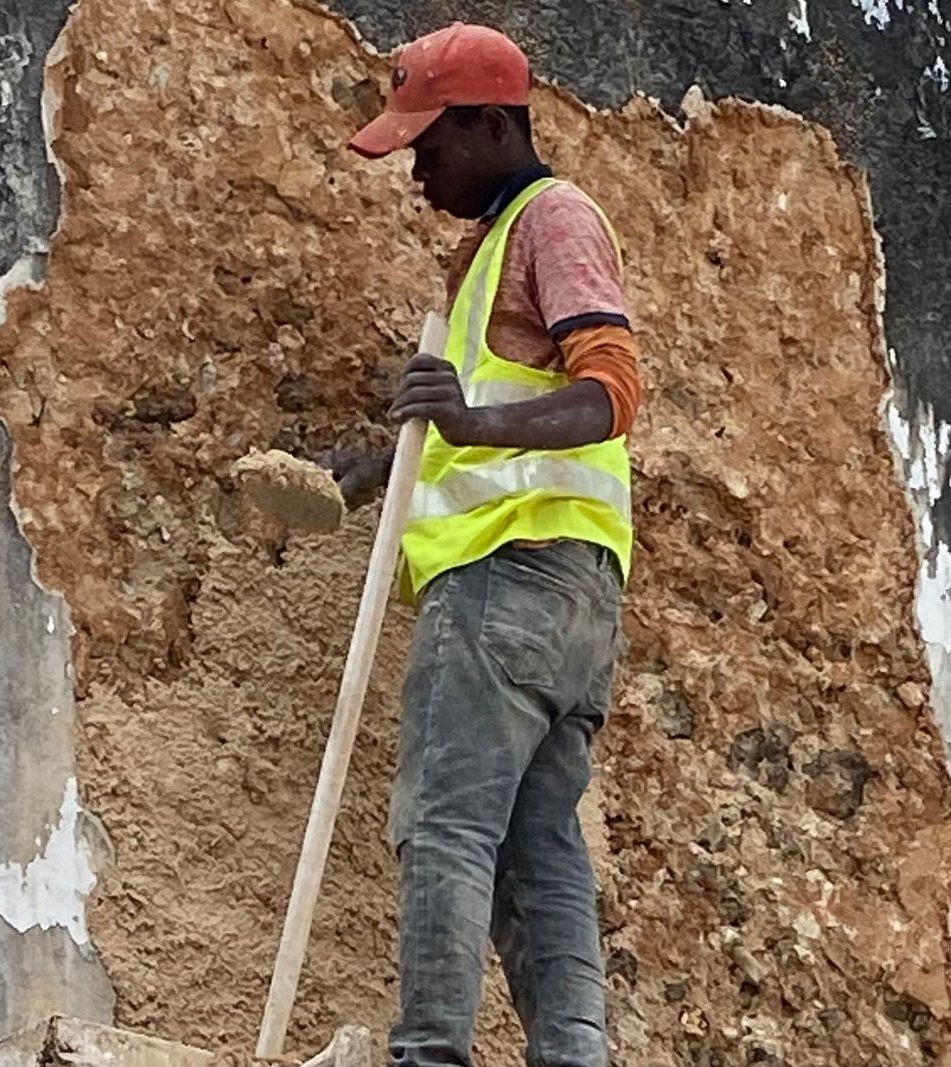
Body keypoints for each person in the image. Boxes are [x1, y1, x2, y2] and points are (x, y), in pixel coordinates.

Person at [342, 20, 644, 1067]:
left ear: (489, 121)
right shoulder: (498, 240)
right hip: (571, 593)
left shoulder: (551, 218)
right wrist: (374, 464)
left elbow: (610, 391)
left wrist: (469, 422)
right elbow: (502, 401)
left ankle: (429, 1053)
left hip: (507, 576)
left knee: (445, 824)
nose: (417, 169)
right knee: (537, 847)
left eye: (429, 144)